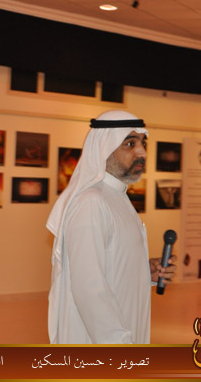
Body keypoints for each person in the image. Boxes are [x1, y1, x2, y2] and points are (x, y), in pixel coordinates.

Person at [47, 110, 176, 344]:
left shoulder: (116, 196)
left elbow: (111, 265)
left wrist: (145, 271)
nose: (142, 152)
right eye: (130, 144)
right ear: (104, 148)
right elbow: (89, 288)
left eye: (143, 143)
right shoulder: (91, 202)